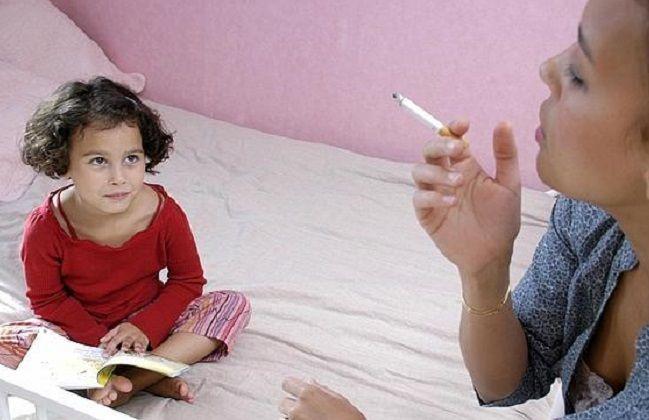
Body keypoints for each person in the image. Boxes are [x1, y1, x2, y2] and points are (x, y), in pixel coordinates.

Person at [280, 0, 649, 417]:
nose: (548, 68)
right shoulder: (590, 215)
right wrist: (484, 270)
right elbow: (509, 380)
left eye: (580, 76)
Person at [0, 77, 251, 407]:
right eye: (98, 161)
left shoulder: (165, 213)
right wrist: (103, 342)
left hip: (149, 324)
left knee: (231, 304)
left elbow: (187, 281)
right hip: (79, 332)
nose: (118, 178)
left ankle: (132, 381)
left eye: (131, 158)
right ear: (64, 163)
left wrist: (142, 327)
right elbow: (48, 300)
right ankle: (135, 377)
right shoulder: (46, 226)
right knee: (8, 341)